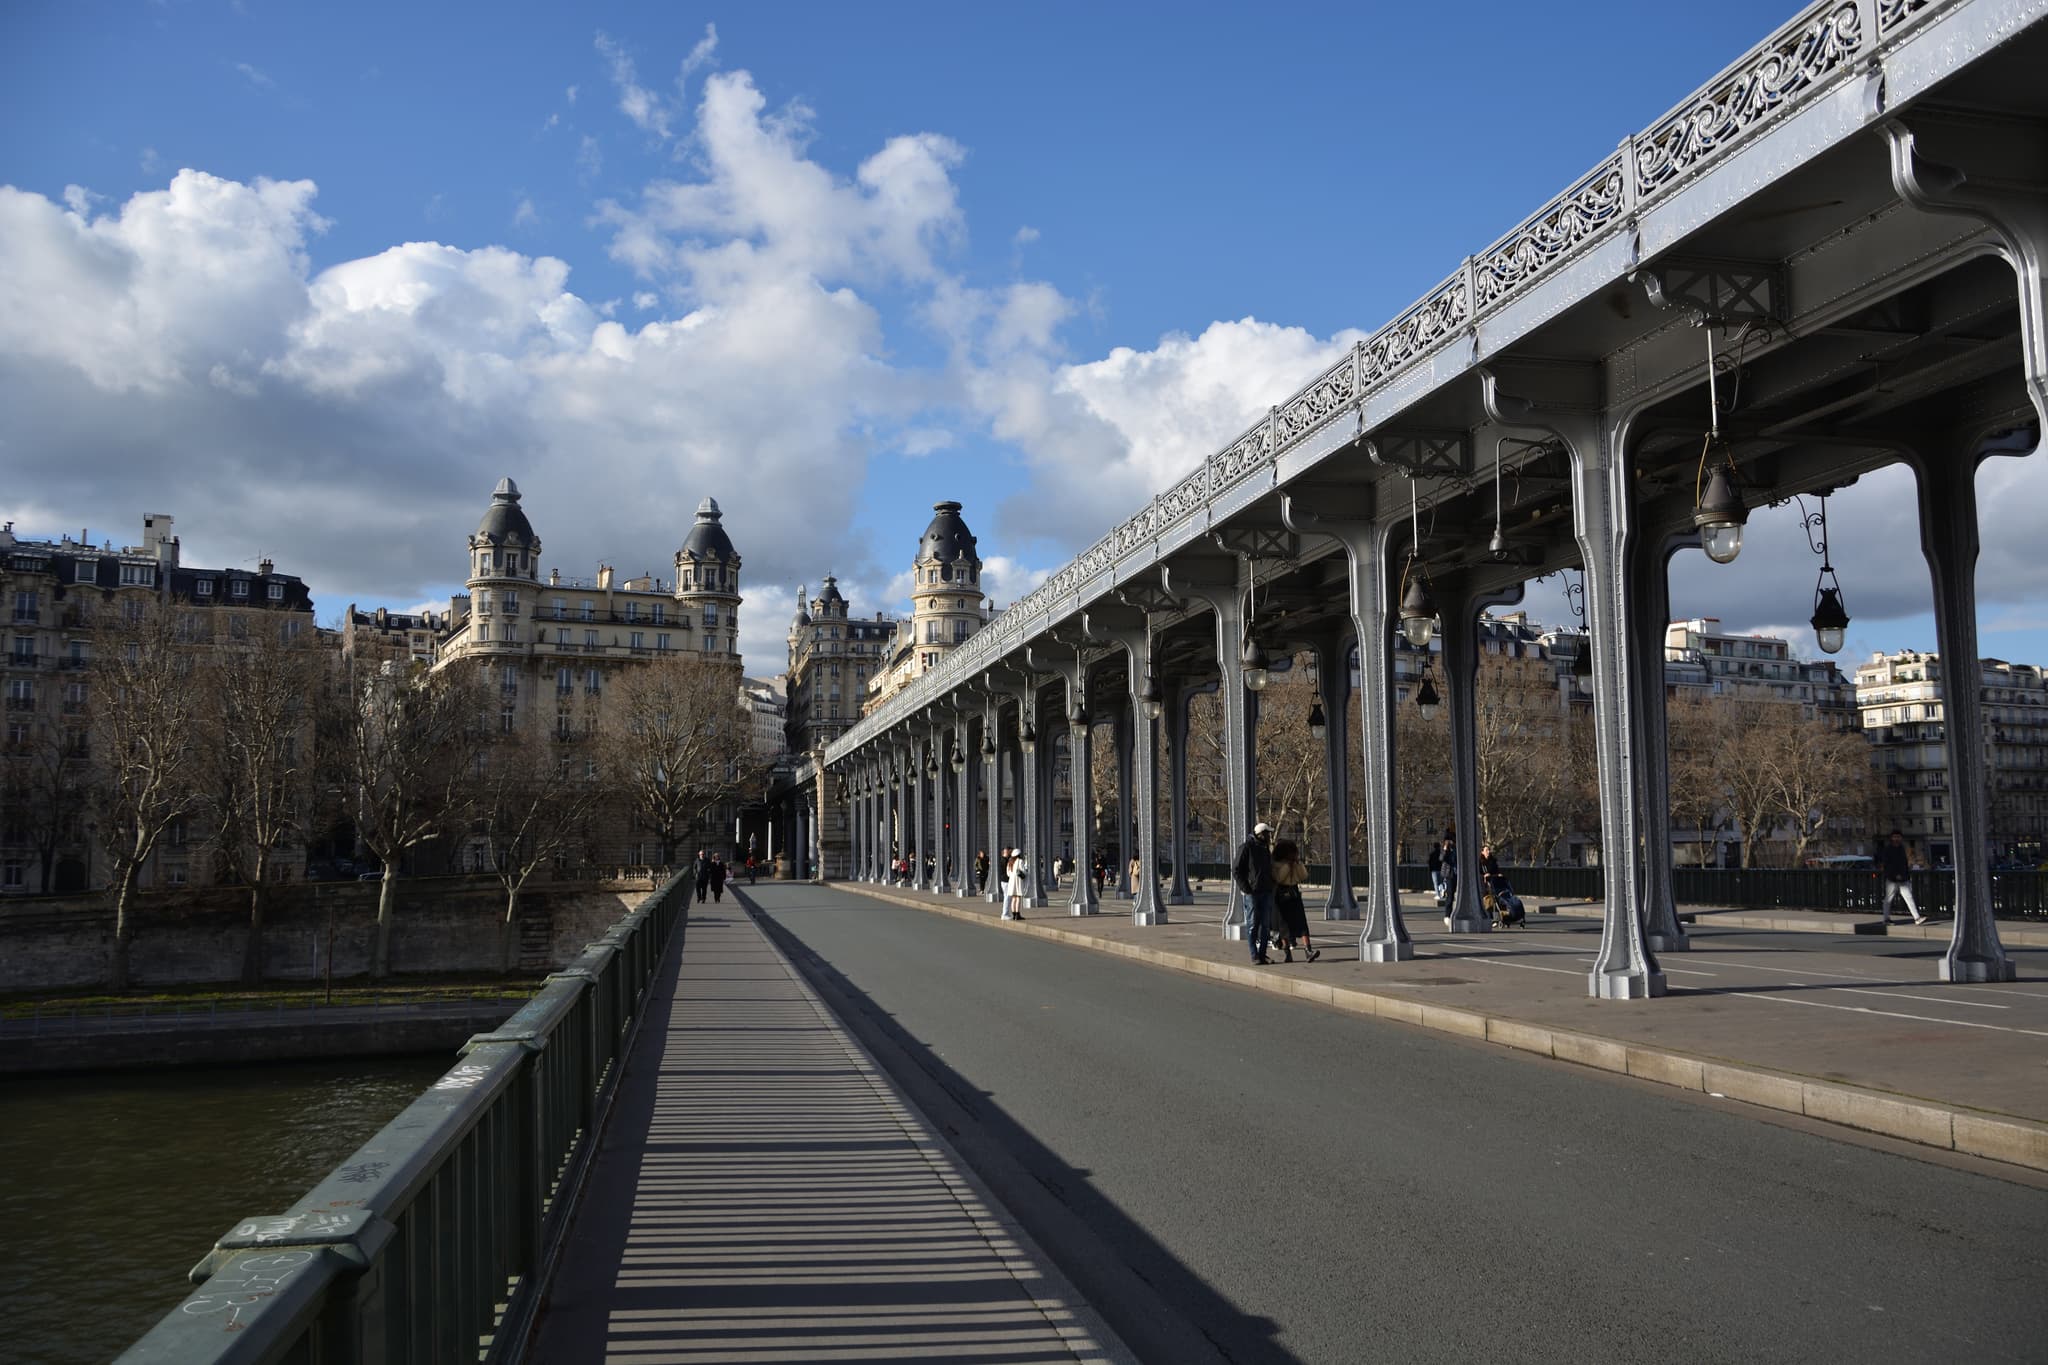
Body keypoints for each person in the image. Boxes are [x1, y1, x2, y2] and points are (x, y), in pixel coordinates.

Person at [1232, 821, 1277, 965]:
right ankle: (1254, 955)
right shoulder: (1247, 847)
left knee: (1265, 925)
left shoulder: (1265, 849)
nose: (1270, 836)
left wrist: (1271, 884)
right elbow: (1236, 869)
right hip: (1252, 892)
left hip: (1266, 891)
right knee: (1252, 924)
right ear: (1261, 834)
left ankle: (1263, 954)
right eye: (1267, 833)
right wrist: (1246, 889)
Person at [1271, 838, 1319, 963]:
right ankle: (1287, 953)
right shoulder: (1276, 864)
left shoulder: (1295, 863)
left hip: (1294, 893)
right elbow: (1279, 878)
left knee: (1302, 923)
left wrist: (1298, 864)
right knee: (1283, 925)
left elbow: (1303, 876)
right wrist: (1287, 866)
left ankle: (1308, 950)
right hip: (1281, 894)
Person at [1879, 829, 1928, 925]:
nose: (1897, 838)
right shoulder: (1889, 849)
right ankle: (1886, 919)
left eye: (1898, 837)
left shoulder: (1900, 848)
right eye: (1895, 837)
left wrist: (1904, 874)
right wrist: (1895, 874)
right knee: (1889, 899)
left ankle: (1917, 918)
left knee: (1907, 897)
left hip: (1901, 877)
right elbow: (1889, 864)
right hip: (1893, 878)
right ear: (1892, 838)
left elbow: (1902, 863)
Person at [1479, 843, 1524, 927]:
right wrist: (1484, 876)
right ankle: (1490, 918)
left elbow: (1497, 871)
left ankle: (1505, 917)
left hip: (1494, 884)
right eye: (1486, 850)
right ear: (1482, 852)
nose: (1488, 852)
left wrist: (1498, 874)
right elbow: (1478, 874)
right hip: (1485, 885)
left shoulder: (1492, 861)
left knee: (1501, 899)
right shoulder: (1480, 863)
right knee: (1488, 901)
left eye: (1489, 850)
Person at [1003, 853, 1029, 920]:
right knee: (1018, 898)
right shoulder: (1020, 861)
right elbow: (1023, 871)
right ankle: (1018, 914)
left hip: (1011, 881)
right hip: (1018, 881)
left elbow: (1008, 873)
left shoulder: (1010, 861)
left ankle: (1014, 914)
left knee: (1013, 898)